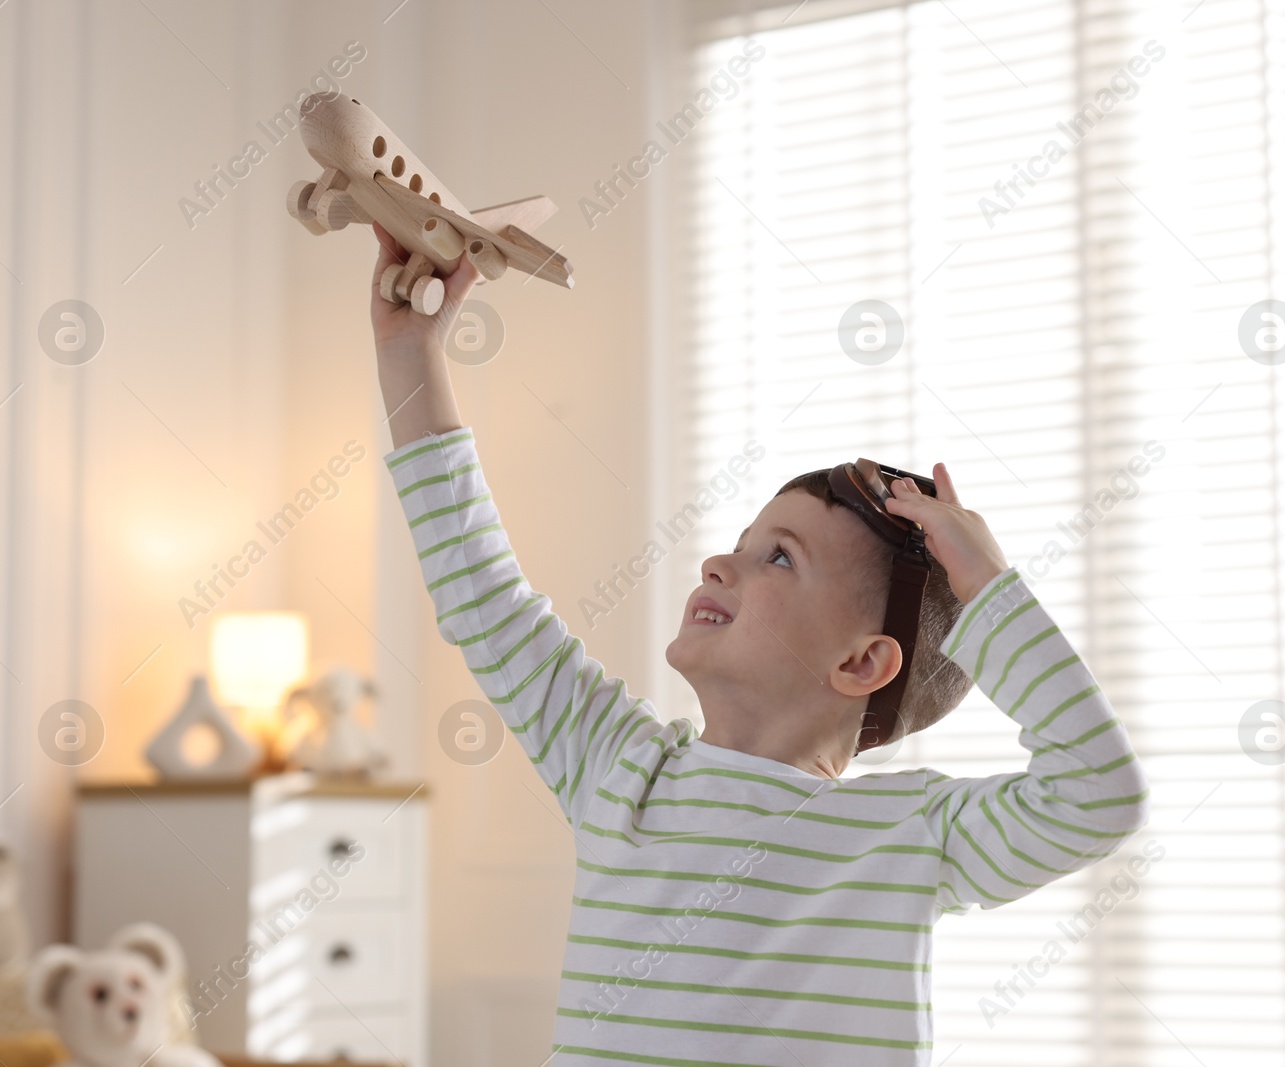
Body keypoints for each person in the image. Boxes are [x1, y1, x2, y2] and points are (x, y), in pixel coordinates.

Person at [368, 225, 1149, 1066]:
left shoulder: (910, 833)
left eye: (777, 556)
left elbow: (1099, 792)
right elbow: (480, 590)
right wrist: (413, 350)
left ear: (860, 662)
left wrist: (984, 581)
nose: (719, 563)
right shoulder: (617, 767)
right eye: (741, 543)